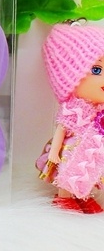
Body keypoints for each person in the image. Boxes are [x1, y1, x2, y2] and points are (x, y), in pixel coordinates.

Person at [38, 22, 104, 213]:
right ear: (70, 79)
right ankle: (64, 197)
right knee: (68, 173)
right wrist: (54, 152)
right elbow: (62, 128)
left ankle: (83, 197)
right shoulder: (74, 109)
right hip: (70, 151)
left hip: (91, 153)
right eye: (96, 70)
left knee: (88, 173)